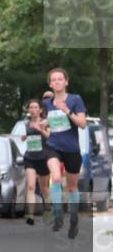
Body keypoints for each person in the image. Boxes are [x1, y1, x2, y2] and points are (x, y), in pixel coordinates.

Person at [41, 68, 88, 238]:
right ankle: (58, 214)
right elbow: (48, 124)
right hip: (53, 145)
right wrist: (44, 124)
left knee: (72, 187)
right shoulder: (47, 104)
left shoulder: (75, 99)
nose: (57, 82)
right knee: (56, 177)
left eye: (60, 79)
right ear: (50, 84)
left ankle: (74, 219)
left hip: (71, 148)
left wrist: (67, 110)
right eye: (53, 80)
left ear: (66, 82)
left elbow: (82, 124)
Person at [20, 98, 51, 225]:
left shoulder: (45, 122)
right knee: (31, 186)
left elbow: (50, 137)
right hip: (30, 158)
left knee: (44, 188)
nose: (33, 110)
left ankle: (48, 209)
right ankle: (30, 215)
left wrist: (41, 130)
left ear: (40, 110)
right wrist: (24, 137)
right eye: (31, 107)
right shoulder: (26, 124)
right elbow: (26, 137)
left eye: (35, 107)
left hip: (43, 158)